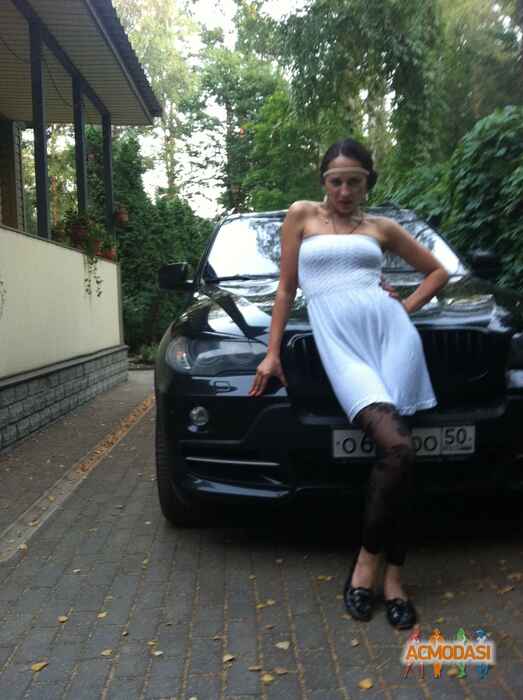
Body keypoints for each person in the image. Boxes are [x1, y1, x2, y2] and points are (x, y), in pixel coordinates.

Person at [248, 137, 449, 630]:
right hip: (342, 345)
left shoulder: (382, 227)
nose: (344, 191)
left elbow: (438, 272)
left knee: (401, 458)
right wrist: (272, 353)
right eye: (336, 181)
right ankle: (368, 563)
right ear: (323, 180)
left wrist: (403, 307)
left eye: (354, 182)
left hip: (392, 339)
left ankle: (391, 578)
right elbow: (286, 289)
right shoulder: (301, 216)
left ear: (367, 183)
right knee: (398, 447)